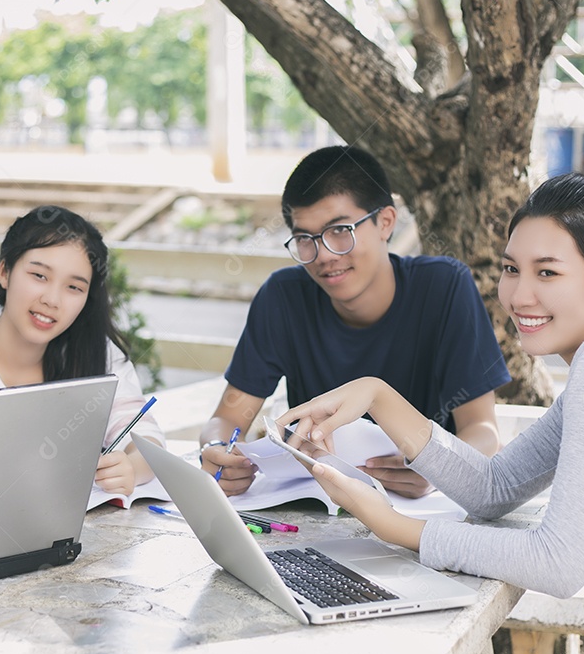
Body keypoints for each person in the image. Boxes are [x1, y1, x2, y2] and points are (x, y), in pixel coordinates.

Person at [282, 158, 584, 654]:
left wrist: (393, 527)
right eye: (511, 269)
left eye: (547, 272)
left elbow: (558, 563)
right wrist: (378, 395)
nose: (519, 296)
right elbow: (493, 487)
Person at [200, 145, 510, 498]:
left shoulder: (444, 286)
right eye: (305, 239)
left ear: (385, 222)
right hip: (316, 504)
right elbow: (226, 419)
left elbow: (483, 430)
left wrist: (439, 469)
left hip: (417, 510)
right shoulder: (283, 297)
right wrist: (216, 448)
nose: (324, 255)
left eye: (339, 230)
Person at [0, 205, 163, 497]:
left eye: (74, 287)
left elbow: (148, 441)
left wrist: (131, 467)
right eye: (39, 275)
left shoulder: (99, 355)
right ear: (4, 272)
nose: (52, 300)